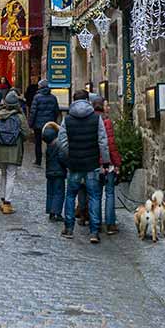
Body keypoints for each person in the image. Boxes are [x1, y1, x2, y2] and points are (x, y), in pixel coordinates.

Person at [54, 88, 109, 243]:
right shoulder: (95, 118)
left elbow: (62, 141)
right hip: (91, 163)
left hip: (74, 164)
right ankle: (94, 231)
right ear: (87, 100)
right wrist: (105, 162)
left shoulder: (68, 119)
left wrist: (69, 155)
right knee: (94, 196)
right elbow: (103, 141)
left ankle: (69, 228)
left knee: (71, 195)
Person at [0, 89, 31, 214]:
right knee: (11, 174)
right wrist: (17, 139)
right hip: (14, 148)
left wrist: (0, 139)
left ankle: (2, 198)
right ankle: (7, 202)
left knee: (4, 174)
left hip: (0, 148)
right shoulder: (19, 116)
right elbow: (26, 133)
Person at [93, 92, 123, 235]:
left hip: (94, 163)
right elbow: (110, 145)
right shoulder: (106, 121)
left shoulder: (90, 120)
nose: (109, 108)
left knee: (96, 194)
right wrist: (117, 163)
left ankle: (96, 223)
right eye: (106, 105)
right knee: (110, 193)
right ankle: (110, 224)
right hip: (107, 163)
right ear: (101, 106)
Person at [28, 79, 60, 165]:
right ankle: (50, 159)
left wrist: (30, 123)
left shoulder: (37, 97)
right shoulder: (53, 97)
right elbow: (56, 111)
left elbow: (33, 111)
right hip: (49, 124)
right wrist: (54, 121)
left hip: (38, 124)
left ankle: (38, 160)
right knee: (50, 142)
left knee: (38, 143)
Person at [41, 122, 66, 221]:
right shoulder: (59, 146)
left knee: (50, 192)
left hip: (49, 173)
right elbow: (62, 158)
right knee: (59, 193)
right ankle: (57, 212)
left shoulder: (48, 148)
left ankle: (50, 211)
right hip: (59, 173)